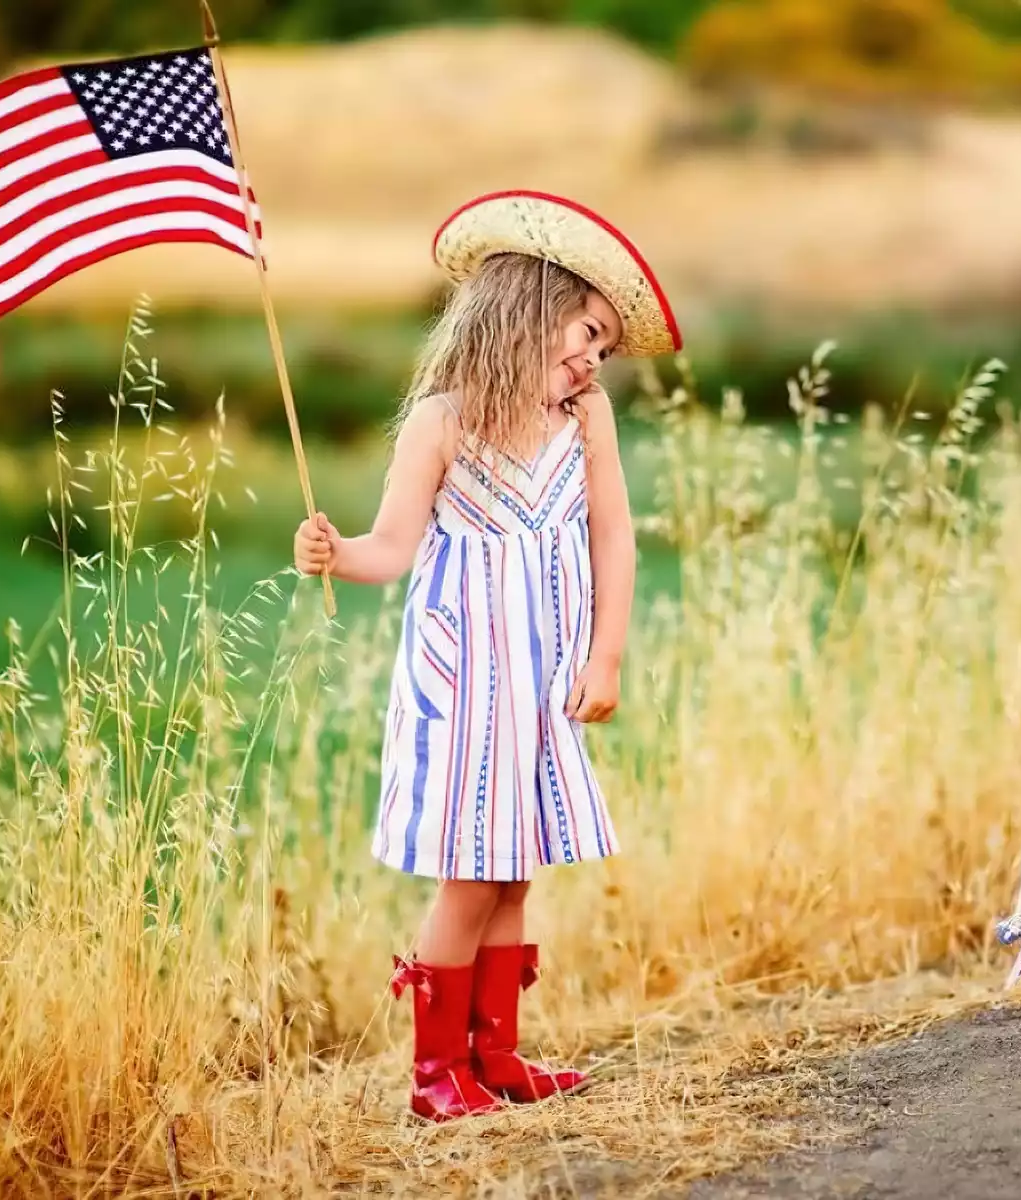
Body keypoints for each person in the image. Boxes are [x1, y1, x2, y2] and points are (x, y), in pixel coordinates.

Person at [292, 191, 681, 1120]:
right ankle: (435, 1077)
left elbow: (614, 539)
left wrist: (607, 655)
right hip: (464, 685)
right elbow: (390, 547)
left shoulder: (585, 422)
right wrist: (337, 554)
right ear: (530, 311)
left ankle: (495, 1055)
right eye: (587, 333)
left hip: (545, 681)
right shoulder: (443, 421)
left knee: (514, 867)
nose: (593, 358)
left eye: (604, 349)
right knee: (471, 871)